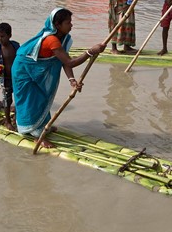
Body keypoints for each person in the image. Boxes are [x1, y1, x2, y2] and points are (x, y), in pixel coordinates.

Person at [11, 8, 106, 149]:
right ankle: (36, 135)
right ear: (57, 25)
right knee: (32, 99)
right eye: (68, 23)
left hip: (35, 69)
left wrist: (72, 80)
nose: (71, 25)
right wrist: (90, 52)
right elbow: (69, 62)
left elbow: (62, 61)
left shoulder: (63, 39)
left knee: (42, 97)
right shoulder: (51, 40)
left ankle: (42, 125)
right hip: (24, 70)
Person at [0, 22, 19, 130]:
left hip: (17, 78)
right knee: (7, 101)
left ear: (9, 36)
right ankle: (7, 121)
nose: (0, 39)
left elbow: (22, 59)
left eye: (2, 36)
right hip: (5, 79)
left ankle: (16, 119)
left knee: (18, 99)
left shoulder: (15, 46)